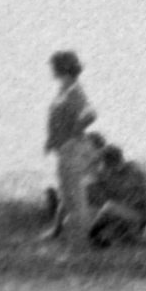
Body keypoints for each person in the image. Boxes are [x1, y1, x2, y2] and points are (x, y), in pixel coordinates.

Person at [42, 51, 97, 241]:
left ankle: (81, 241)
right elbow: (59, 119)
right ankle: (76, 238)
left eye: (53, 65)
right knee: (68, 196)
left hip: (73, 149)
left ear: (62, 67)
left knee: (75, 198)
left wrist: (71, 137)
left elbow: (90, 114)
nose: (51, 69)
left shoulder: (74, 89)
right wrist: (51, 140)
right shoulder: (63, 90)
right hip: (64, 150)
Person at [84, 141, 146, 247]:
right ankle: (102, 239)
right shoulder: (105, 172)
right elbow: (87, 184)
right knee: (103, 209)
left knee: (109, 207)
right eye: (106, 163)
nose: (108, 166)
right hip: (122, 214)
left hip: (140, 215)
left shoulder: (135, 171)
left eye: (115, 161)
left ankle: (91, 236)